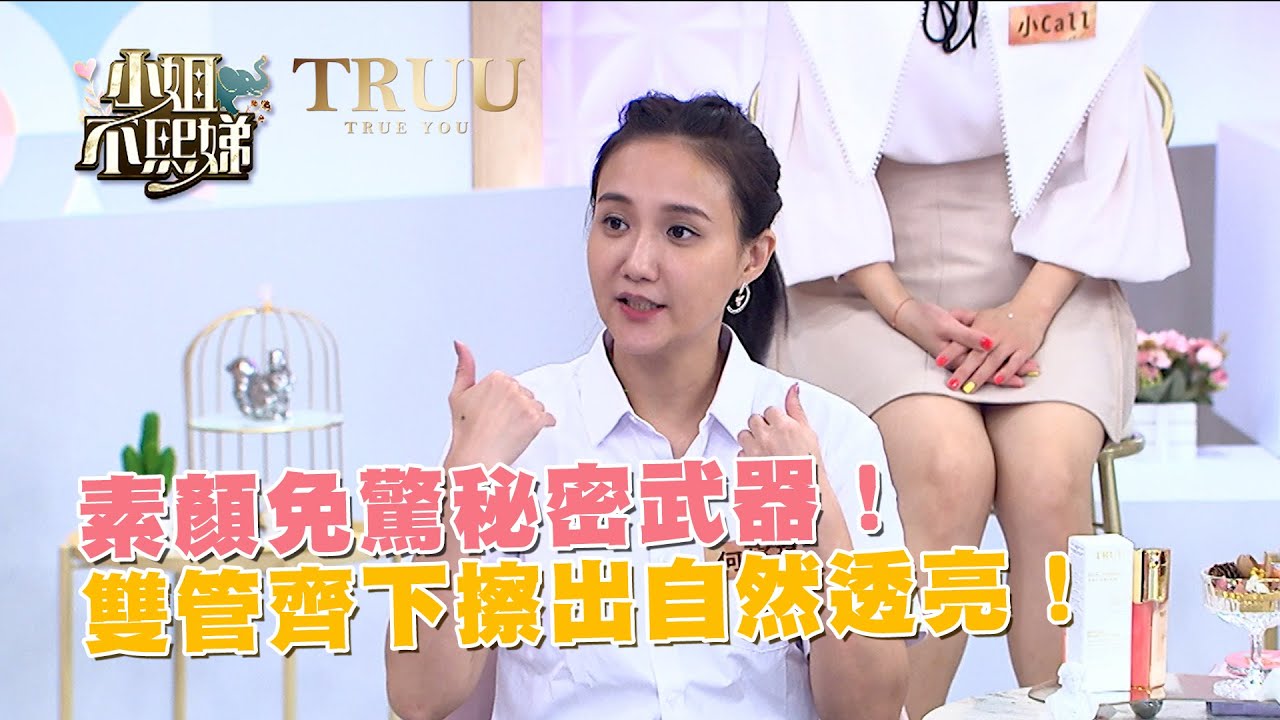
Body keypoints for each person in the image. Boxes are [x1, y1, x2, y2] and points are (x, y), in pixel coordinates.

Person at [385, 92, 912, 720]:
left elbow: (871, 709)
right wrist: (464, 481)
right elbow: (418, 698)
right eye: (615, 223)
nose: (636, 262)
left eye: (680, 232)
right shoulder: (513, 436)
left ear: (752, 257)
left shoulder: (829, 435)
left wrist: (817, 520)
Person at [753, 2, 1189, 717]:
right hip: (858, 277)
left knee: (1048, 474)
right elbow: (805, 165)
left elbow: (1108, 151)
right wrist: (900, 306)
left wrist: (1030, 310)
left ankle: (1068, 710)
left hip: (1052, 271)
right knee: (945, 465)